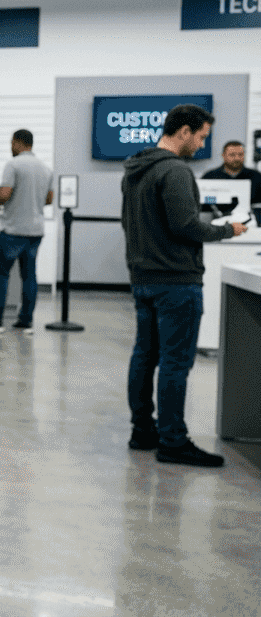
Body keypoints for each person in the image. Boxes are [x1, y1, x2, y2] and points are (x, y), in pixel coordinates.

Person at [121, 104, 245, 467]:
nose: (202, 145)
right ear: (185, 130)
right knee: (176, 362)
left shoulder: (135, 168)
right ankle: (173, 440)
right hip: (176, 281)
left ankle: (143, 430)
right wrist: (229, 230)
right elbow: (186, 226)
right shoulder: (175, 170)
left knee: (145, 356)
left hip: (144, 278)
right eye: (202, 136)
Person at [0, 129, 53, 331]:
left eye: (11, 143)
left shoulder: (13, 165)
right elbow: (49, 199)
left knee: (1, 274)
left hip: (13, 230)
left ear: (18, 142)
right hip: (35, 231)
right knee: (29, 276)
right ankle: (26, 321)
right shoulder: (45, 168)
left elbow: (5, 193)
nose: (10, 147)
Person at [200, 139, 261, 205]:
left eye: (240, 154)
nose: (237, 158)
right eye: (232, 155)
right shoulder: (209, 177)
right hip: (216, 214)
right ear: (223, 155)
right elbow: (203, 201)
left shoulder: (257, 177)